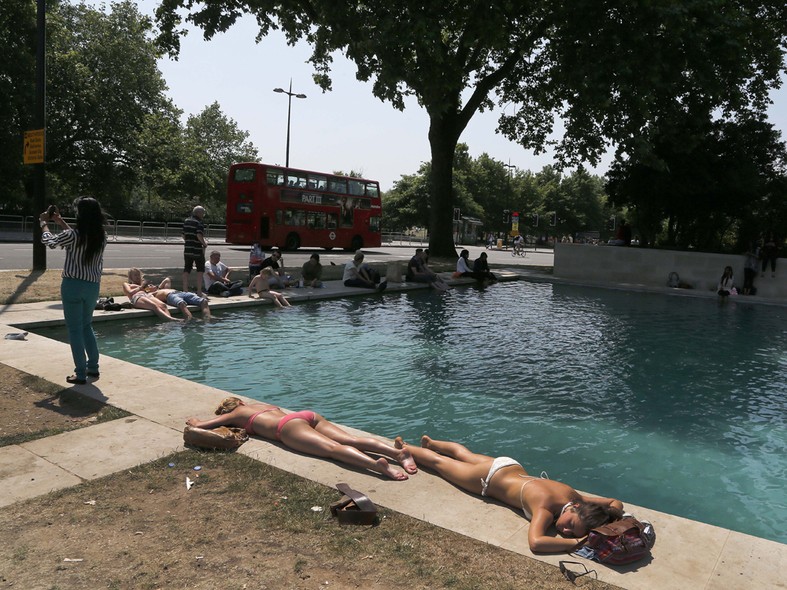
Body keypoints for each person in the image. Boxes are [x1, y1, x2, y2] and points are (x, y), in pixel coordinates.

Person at [394, 435, 624, 553]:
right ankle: (405, 448)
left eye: (569, 531)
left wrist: (612, 513)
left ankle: (432, 441)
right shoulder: (544, 511)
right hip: (486, 480)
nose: (563, 530)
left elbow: (615, 502)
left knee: (464, 453)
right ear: (574, 510)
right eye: (570, 526)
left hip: (510, 466)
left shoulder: (576, 498)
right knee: (439, 464)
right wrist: (574, 542)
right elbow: (536, 542)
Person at [186, 397, 417, 481]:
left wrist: (194, 421)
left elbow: (202, 426)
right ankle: (398, 454)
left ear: (231, 409)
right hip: (305, 415)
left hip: (286, 429)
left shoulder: (236, 414)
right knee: (352, 439)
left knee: (334, 449)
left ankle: (376, 466)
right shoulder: (260, 405)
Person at [40, 198, 108, 384]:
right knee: (87, 326)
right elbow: (77, 235)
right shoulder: (102, 236)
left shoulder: (74, 235)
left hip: (73, 285)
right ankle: (93, 368)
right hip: (93, 286)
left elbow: (50, 242)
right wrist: (60, 221)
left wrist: (44, 223)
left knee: (75, 330)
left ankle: (80, 373)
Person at [182, 205, 208, 296]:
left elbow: (183, 235)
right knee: (200, 270)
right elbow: (199, 235)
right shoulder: (199, 222)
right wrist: (204, 244)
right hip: (197, 249)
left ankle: (185, 290)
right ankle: (199, 291)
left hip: (187, 249)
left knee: (187, 269)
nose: (203, 215)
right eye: (203, 213)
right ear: (199, 213)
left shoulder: (186, 221)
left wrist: (188, 242)